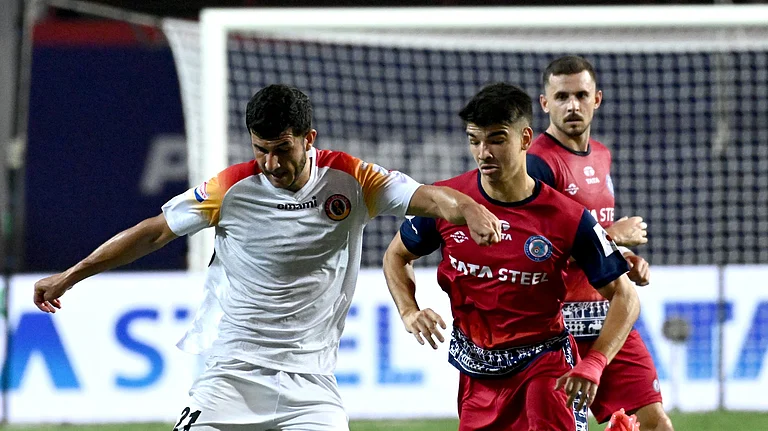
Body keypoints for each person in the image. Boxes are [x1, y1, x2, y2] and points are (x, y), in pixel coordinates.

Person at [33, 84, 503, 431]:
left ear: (308, 138)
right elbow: (153, 233)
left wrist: (470, 208)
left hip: (312, 387)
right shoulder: (232, 187)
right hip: (230, 376)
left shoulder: (352, 179)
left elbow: (432, 198)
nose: (273, 165)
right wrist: (71, 276)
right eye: (262, 151)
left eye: (283, 150)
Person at [382, 82, 640, 431]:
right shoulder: (447, 202)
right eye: (475, 140)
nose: (483, 152)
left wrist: (594, 362)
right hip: (477, 373)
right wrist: (409, 310)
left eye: (497, 139)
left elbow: (625, 295)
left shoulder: (567, 217)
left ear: (525, 138)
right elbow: (396, 256)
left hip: (544, 366)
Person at [527, 55, 674, 431]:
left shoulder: (603, 155)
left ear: (597, 99)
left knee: (655, 423)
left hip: (607, 316)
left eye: (580, 95)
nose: (572, 105)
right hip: (559, 326)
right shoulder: (537, 165)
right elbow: (536, 250)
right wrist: (613, 236)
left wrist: (622, 256)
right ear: (545, 104)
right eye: (561, 97)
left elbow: (591, 242)